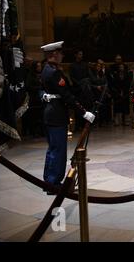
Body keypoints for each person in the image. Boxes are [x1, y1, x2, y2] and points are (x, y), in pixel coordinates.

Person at [40, 41, 95, 193]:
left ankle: (49, 181)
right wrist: (84, 112)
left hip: (50, 113)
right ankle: (54, 184)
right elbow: (67, 96)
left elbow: (48, 90)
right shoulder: (54, 72)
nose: (63, 55)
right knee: (58, 150)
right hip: (56, 115)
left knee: (53, 149)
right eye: (61, 53)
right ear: (54, 54)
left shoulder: (47, 69)